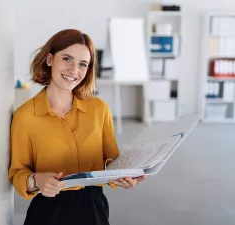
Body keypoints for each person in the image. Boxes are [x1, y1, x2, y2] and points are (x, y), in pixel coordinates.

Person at [9, 29, 146, 225]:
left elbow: (111, 162)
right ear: (50, 59)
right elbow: (17, 172)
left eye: (83, 64)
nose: (74, 70)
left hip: (94, 208)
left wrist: (127, 175)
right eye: (67, 59)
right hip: (48, 211)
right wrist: (38, 180)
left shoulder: (100, 109)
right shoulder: (25, 116)